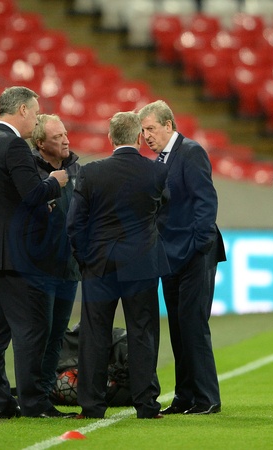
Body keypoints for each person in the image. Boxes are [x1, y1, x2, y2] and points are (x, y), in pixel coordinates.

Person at [0, 86, 75, 419]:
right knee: (32, 330)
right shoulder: (13, 145)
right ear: (22, 110)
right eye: (36, 113)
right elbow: (33, 194)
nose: (37, 119)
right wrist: (55, 182)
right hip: (15, 256)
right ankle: (34, 403)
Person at [66, 111, 170, 419]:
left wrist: (86, 259)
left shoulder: (91, 172)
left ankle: (91, 406)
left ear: (110, 137)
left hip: (99, 265)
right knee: (143, 332)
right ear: (139, 137)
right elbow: (164, 212)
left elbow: (75, 223)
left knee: (94, 334)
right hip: (142, 265)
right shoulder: (156, 172)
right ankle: (146, 405)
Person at [138, 100, 226, 416]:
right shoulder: (160, 160)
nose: (146, 136)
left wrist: (198, 246)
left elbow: (206, 201)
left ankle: (207, 397)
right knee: (178, 327)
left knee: (193, 324)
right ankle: (185, 396)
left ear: (168, 125)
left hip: (193, 255)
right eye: (143, 131)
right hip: (170, 256)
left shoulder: (190, 152)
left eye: (151, 128)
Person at [29, 114, 81, 397]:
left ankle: (46, 392)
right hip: (40, 269)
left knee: (58, 334)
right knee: (40, 334)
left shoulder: (76, 170)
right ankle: (33, 394)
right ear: (40, 143)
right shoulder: (30, 173)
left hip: (68, 267)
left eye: (65, 134)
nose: (66, 140)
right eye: (57, 137)